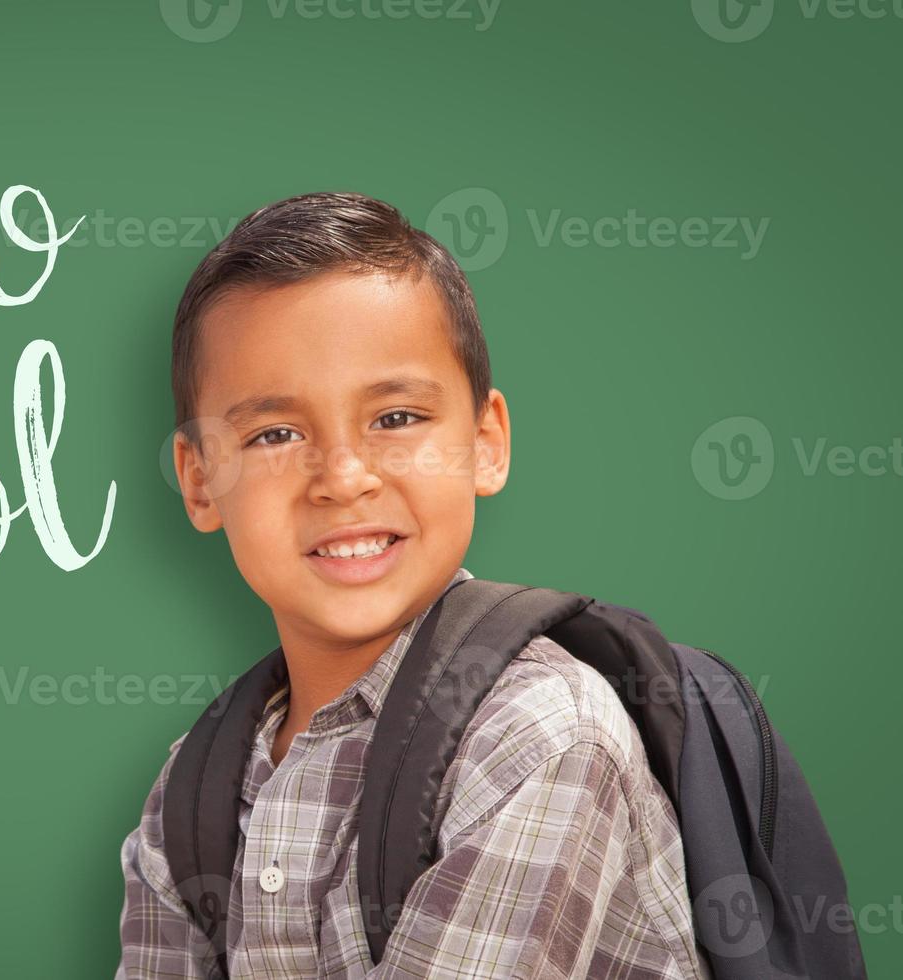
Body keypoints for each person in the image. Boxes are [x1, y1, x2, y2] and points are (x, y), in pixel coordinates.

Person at [115, 192, 709, 978]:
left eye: (396, 418)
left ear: (486, 442)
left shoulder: (538, 734)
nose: (343, 478)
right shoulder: (192, 792)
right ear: (198, 482)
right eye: (275, 434)